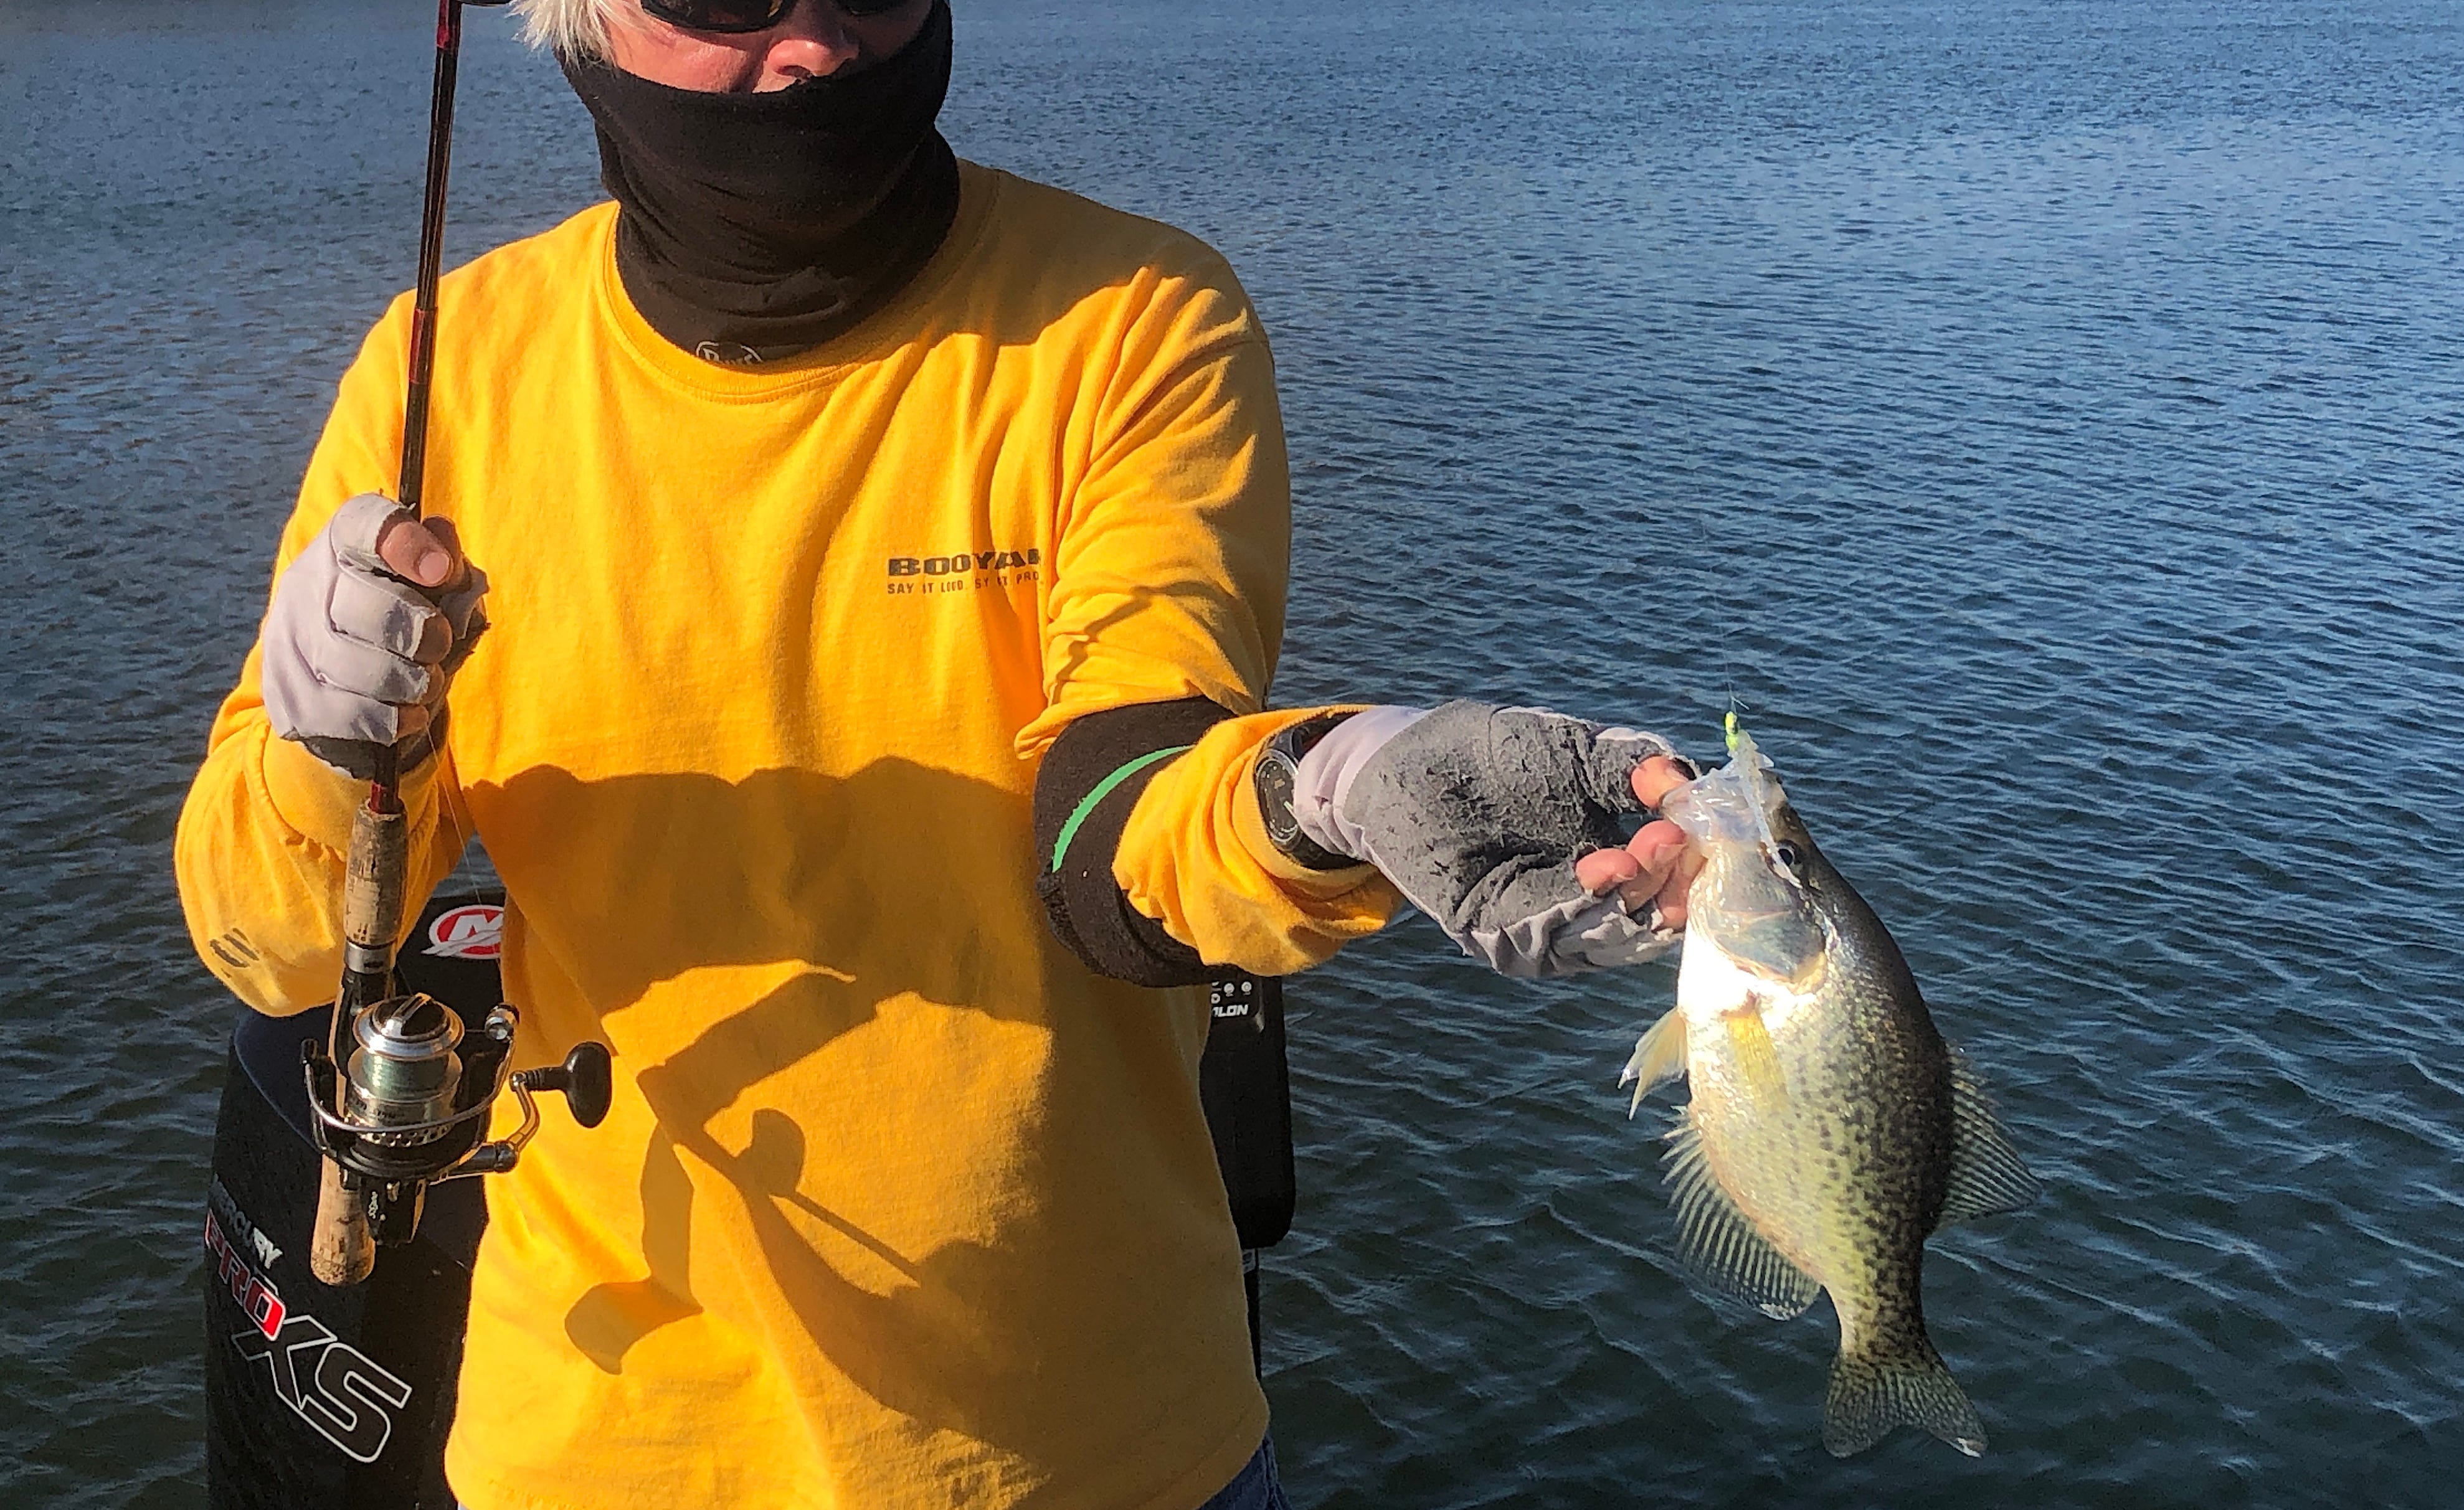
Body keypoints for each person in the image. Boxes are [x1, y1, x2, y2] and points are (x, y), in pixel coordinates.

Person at [174, 1, 1701, 1506]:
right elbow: (274, 940)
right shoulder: (452, 372)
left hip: (1104, 1447)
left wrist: (1338, 784)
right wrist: (333, 738)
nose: (816, 47)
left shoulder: (1130, 320)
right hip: (599, 1447)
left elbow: (1121, 817)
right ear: (573, 24)